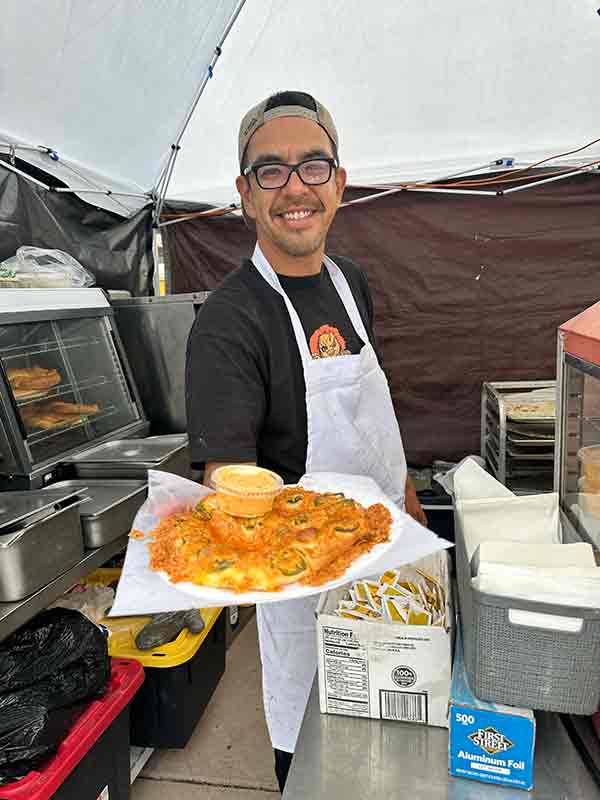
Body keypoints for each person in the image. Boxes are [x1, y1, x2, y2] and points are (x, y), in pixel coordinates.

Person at [185, 90, 426, 792]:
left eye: (313, 166)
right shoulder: (229, 325)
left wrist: (408, 511)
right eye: (271, 171)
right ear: (244, 195)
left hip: (395, 579)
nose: (295, 187)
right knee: (324, 771)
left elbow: (375, 426)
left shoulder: (352, 283)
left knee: (404, 767)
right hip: (309, 615)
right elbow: (228, 497)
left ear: (340, 183)